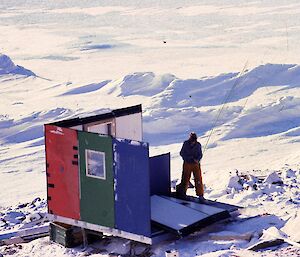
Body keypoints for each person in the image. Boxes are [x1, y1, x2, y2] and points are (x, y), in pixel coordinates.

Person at [178, 132, 204, 201]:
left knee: (198, 179)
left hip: (196, 164)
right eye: (192, 141)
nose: (193, 142)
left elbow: (200, 154)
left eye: (194, 141)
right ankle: (182, 193)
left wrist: (197, 159)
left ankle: (200, 195)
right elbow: (182, 153)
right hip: (187, 164)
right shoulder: (185, 144)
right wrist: (190, 158)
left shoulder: (198, 145)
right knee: (185, 179)